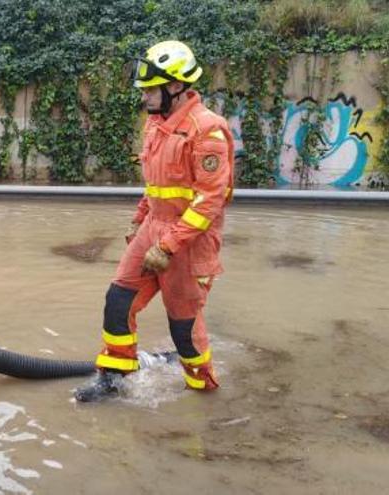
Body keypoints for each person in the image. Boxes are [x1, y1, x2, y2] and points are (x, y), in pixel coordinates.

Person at [74, 40, 235, 402]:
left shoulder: (207, 131)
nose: (145, 96)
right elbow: (158, 186)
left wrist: (169, 245)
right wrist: (139, 221)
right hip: (153, 230)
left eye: (150, 89)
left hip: (190, 241)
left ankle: (202, 392)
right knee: (118, 301)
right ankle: (114, 381)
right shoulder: (156, 125)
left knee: (184, 326)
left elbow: (210, 200)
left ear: (176, 86)